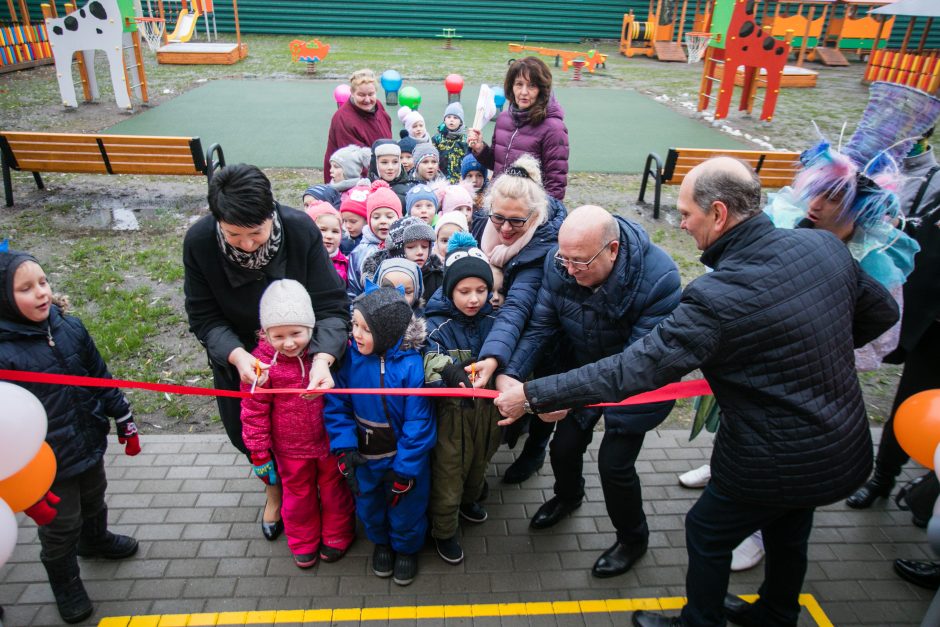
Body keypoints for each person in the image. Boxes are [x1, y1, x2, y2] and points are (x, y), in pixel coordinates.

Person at [494, 157, 899, 627]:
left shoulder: (715, 297)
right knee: (789, 528)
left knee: (706, 530)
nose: (681, 223)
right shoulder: (822, 247)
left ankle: (698, 621)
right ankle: (775, 612)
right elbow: (882, 312)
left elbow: (635, 367)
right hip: (843, 445)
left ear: (720, 213)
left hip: (770, 455)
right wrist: (816, 347)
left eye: (686, 213)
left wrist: (534, 394)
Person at [500, 205, 681, 578]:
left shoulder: (660, 279)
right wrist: (512, 374)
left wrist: (554, 394)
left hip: (637, 384)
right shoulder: (560, 263)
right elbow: (540, 327)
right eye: (562, 258)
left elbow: (632, 367)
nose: (567, 269)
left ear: (612, 249)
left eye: (579, 262)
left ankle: (633, 537)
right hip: (582, 370)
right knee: (563, 446)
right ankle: (569, 496)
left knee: (614, 465)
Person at [183, 163, 350, 542]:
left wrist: (323, 358)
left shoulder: (299, 229)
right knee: (251, 435)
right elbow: (204, 316)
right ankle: (274, 492)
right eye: (233, 235)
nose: (246, 245)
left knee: (314, 435)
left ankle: (325, 493)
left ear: (271, 216)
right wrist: (238, 357)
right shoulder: (198, 242)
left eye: (255, 233)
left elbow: (331, 305)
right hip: (244, 360)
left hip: (303, 356)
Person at [0, 251, 140, 624]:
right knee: (61, 525)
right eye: (26, 288)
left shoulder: (69, 328)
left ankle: (95, 540)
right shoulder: (5, 354)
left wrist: (122, 414)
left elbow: (98, 374)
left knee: (94, 496)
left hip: (87, 438)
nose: (41, 293)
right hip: (43, 460)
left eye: (43, 283)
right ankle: (66, 583)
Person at [324, 284, 436, 587]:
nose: (356, 334)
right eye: (354, 325)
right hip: (364, 457)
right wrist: (345, 448)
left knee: (407, 510)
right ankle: (381, 544)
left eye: (364, 328)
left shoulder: (412, 366)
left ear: (386, 332)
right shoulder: (350, 360)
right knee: (369, 506)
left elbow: (419, 423)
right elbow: (336, 405)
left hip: (402, 461)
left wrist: (407, 468)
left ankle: (406, 549)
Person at [241, 280, 356, 569]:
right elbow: (253, 409)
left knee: (334, 492)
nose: (289, 343)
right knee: (298, 497)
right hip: (289, 449)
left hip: (328, 442)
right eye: (278, 336)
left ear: (310, 328)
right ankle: (303, 542)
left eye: (296, 333)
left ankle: (337, 534)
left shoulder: (325, 356)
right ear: (265, 333)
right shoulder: (261, 365)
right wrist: (258, 451)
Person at [467, 154, 566, 485]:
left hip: (546, 335)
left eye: (516, 222)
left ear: (535, 216)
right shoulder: (485, 224)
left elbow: (520, 306)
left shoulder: (545, 247)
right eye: (499, 218)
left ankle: (535, 451)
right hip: (508, 331)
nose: (505, 228)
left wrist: (494, 358)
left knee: (542, 393)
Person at [423, 232, 501, 565]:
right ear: (449, 290)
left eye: (481, 291)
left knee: (479, 462)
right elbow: (427, 363)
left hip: (486, 413)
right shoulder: (436, 327)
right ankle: (444, 529)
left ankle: (469, 502)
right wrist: (449, 371)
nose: (473, 299)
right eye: (464, 291)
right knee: (449, 473)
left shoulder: (495, 322)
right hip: (452, 417)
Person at [467, 56, 569, 200]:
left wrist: (538, 216)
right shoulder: (504, 119)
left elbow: (555, 187)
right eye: (519, 84)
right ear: (511, 87)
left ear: (542, 90)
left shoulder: (554, 128)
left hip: (527, 212)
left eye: (532, 86)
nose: (524, 92)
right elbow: (498, 163)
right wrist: (480, 149)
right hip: (499, 202)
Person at [323, 69, 392, 183]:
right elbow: (352, 162)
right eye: (361, 95)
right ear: (352, 92)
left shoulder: (378, 106)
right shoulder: (343, 119)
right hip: (350, 181)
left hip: (381, 171)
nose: (367, 99)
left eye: (371, 94)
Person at [347, 181, 403, 298]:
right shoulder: (359, 252)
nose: (383, 221)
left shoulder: (405, 247)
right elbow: (353, 290)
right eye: (376, 217)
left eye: (389, 216)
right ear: (369, 220)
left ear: (399, 217)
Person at [305, 201, 349, 286]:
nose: (329, 236)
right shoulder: (303, 261)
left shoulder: (345, 263)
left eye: (335, 231)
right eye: (323, 230)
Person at [369, 139, 412, 209]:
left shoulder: (410, 192)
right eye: (384, 162)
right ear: (374, 164)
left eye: (395, 162)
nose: (390, 167)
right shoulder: (364, 190)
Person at [433, 102, 470, 184]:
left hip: (461, 180)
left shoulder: (465, 140)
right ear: (444, 120)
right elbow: (433, 159)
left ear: (461, 122)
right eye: (448, 117)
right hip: (441, 180)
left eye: (455, 117)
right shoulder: (437, 138)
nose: (451, 120)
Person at [339, 184, 370, 256]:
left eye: (353, 221)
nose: (347, 226)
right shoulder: (343, 243)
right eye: (345, 221)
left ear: (367, 220)